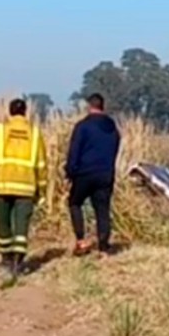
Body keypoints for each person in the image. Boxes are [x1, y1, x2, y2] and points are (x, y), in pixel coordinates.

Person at [0, 98, 48, 278]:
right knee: (21, 228)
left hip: (1, 187)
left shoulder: (0, 132)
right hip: (26, 188)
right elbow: (41, 165)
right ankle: (19, 261)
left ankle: (6, 259)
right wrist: (41, 191)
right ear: (25, 112)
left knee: (3, 225)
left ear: (10, 112)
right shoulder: (34, 134)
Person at [64, 93, 121, 256]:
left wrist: (70, 172)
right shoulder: (113, 129)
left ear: (89, 106)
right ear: (103, 106)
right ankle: (104, 245)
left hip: (84, 173)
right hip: (105, 173)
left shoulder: (83, 126)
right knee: (102, 208)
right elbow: (115, 149)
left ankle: (81, 241)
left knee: (75, 203)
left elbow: (74, 151)